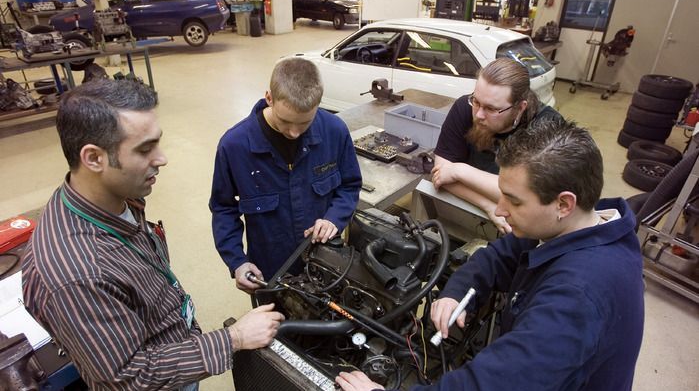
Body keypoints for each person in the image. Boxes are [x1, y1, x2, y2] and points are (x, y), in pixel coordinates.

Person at [337, 118, 644, 391]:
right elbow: (498, 256)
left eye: (514, 201)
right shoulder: (575, 225)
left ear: (563, 204)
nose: (498, 210)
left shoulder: (579, 297)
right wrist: (455, 292)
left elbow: (493, 383)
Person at [22, 79, 284, 390]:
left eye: (157, 142)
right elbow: (127, 378)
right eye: (145, 149)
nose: (162, 158)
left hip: (175, 349)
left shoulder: (114, 198)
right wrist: (234, 338)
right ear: (93, 158)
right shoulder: (76, 275)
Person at [210, 57, 362, 292]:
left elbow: (350, 186)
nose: (293, 132)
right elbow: (223, 208)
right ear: (268, 98)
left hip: (325, 262)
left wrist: (334, 218)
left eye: (304, 123)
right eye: (285, 121)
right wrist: (237, 261)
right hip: (269, 271)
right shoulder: (235, 146)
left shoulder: (335, 131)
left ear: (318, 105)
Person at [431, 57, 559, 234]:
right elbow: (441, 175)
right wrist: (488, 205)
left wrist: (460, 171)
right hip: (467, 213)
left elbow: (531, 199)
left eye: (491, 109)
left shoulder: (547, 128)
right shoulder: (464, 107)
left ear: (520, 107)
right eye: (476, 101)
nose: (479, 115)